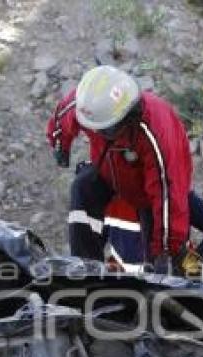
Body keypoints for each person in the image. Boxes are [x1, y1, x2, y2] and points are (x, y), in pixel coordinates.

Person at [46, 65, 192, 273]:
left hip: (148, 193)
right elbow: (63, 116)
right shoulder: (89, 103)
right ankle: (85, 270)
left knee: (161, 260)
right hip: (108, 169)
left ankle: (162, 285)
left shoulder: (156, 132)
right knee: (83, 187)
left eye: (105, 129)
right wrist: (60, 143)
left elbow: (168, 193)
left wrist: (166, 250)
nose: (97, 132)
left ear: (125, 116)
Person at [99, 192, 203, 277]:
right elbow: (94, 245)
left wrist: (191, 263)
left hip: (174, 289)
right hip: (129, 292)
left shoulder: (176, 194)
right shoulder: (108, 195)